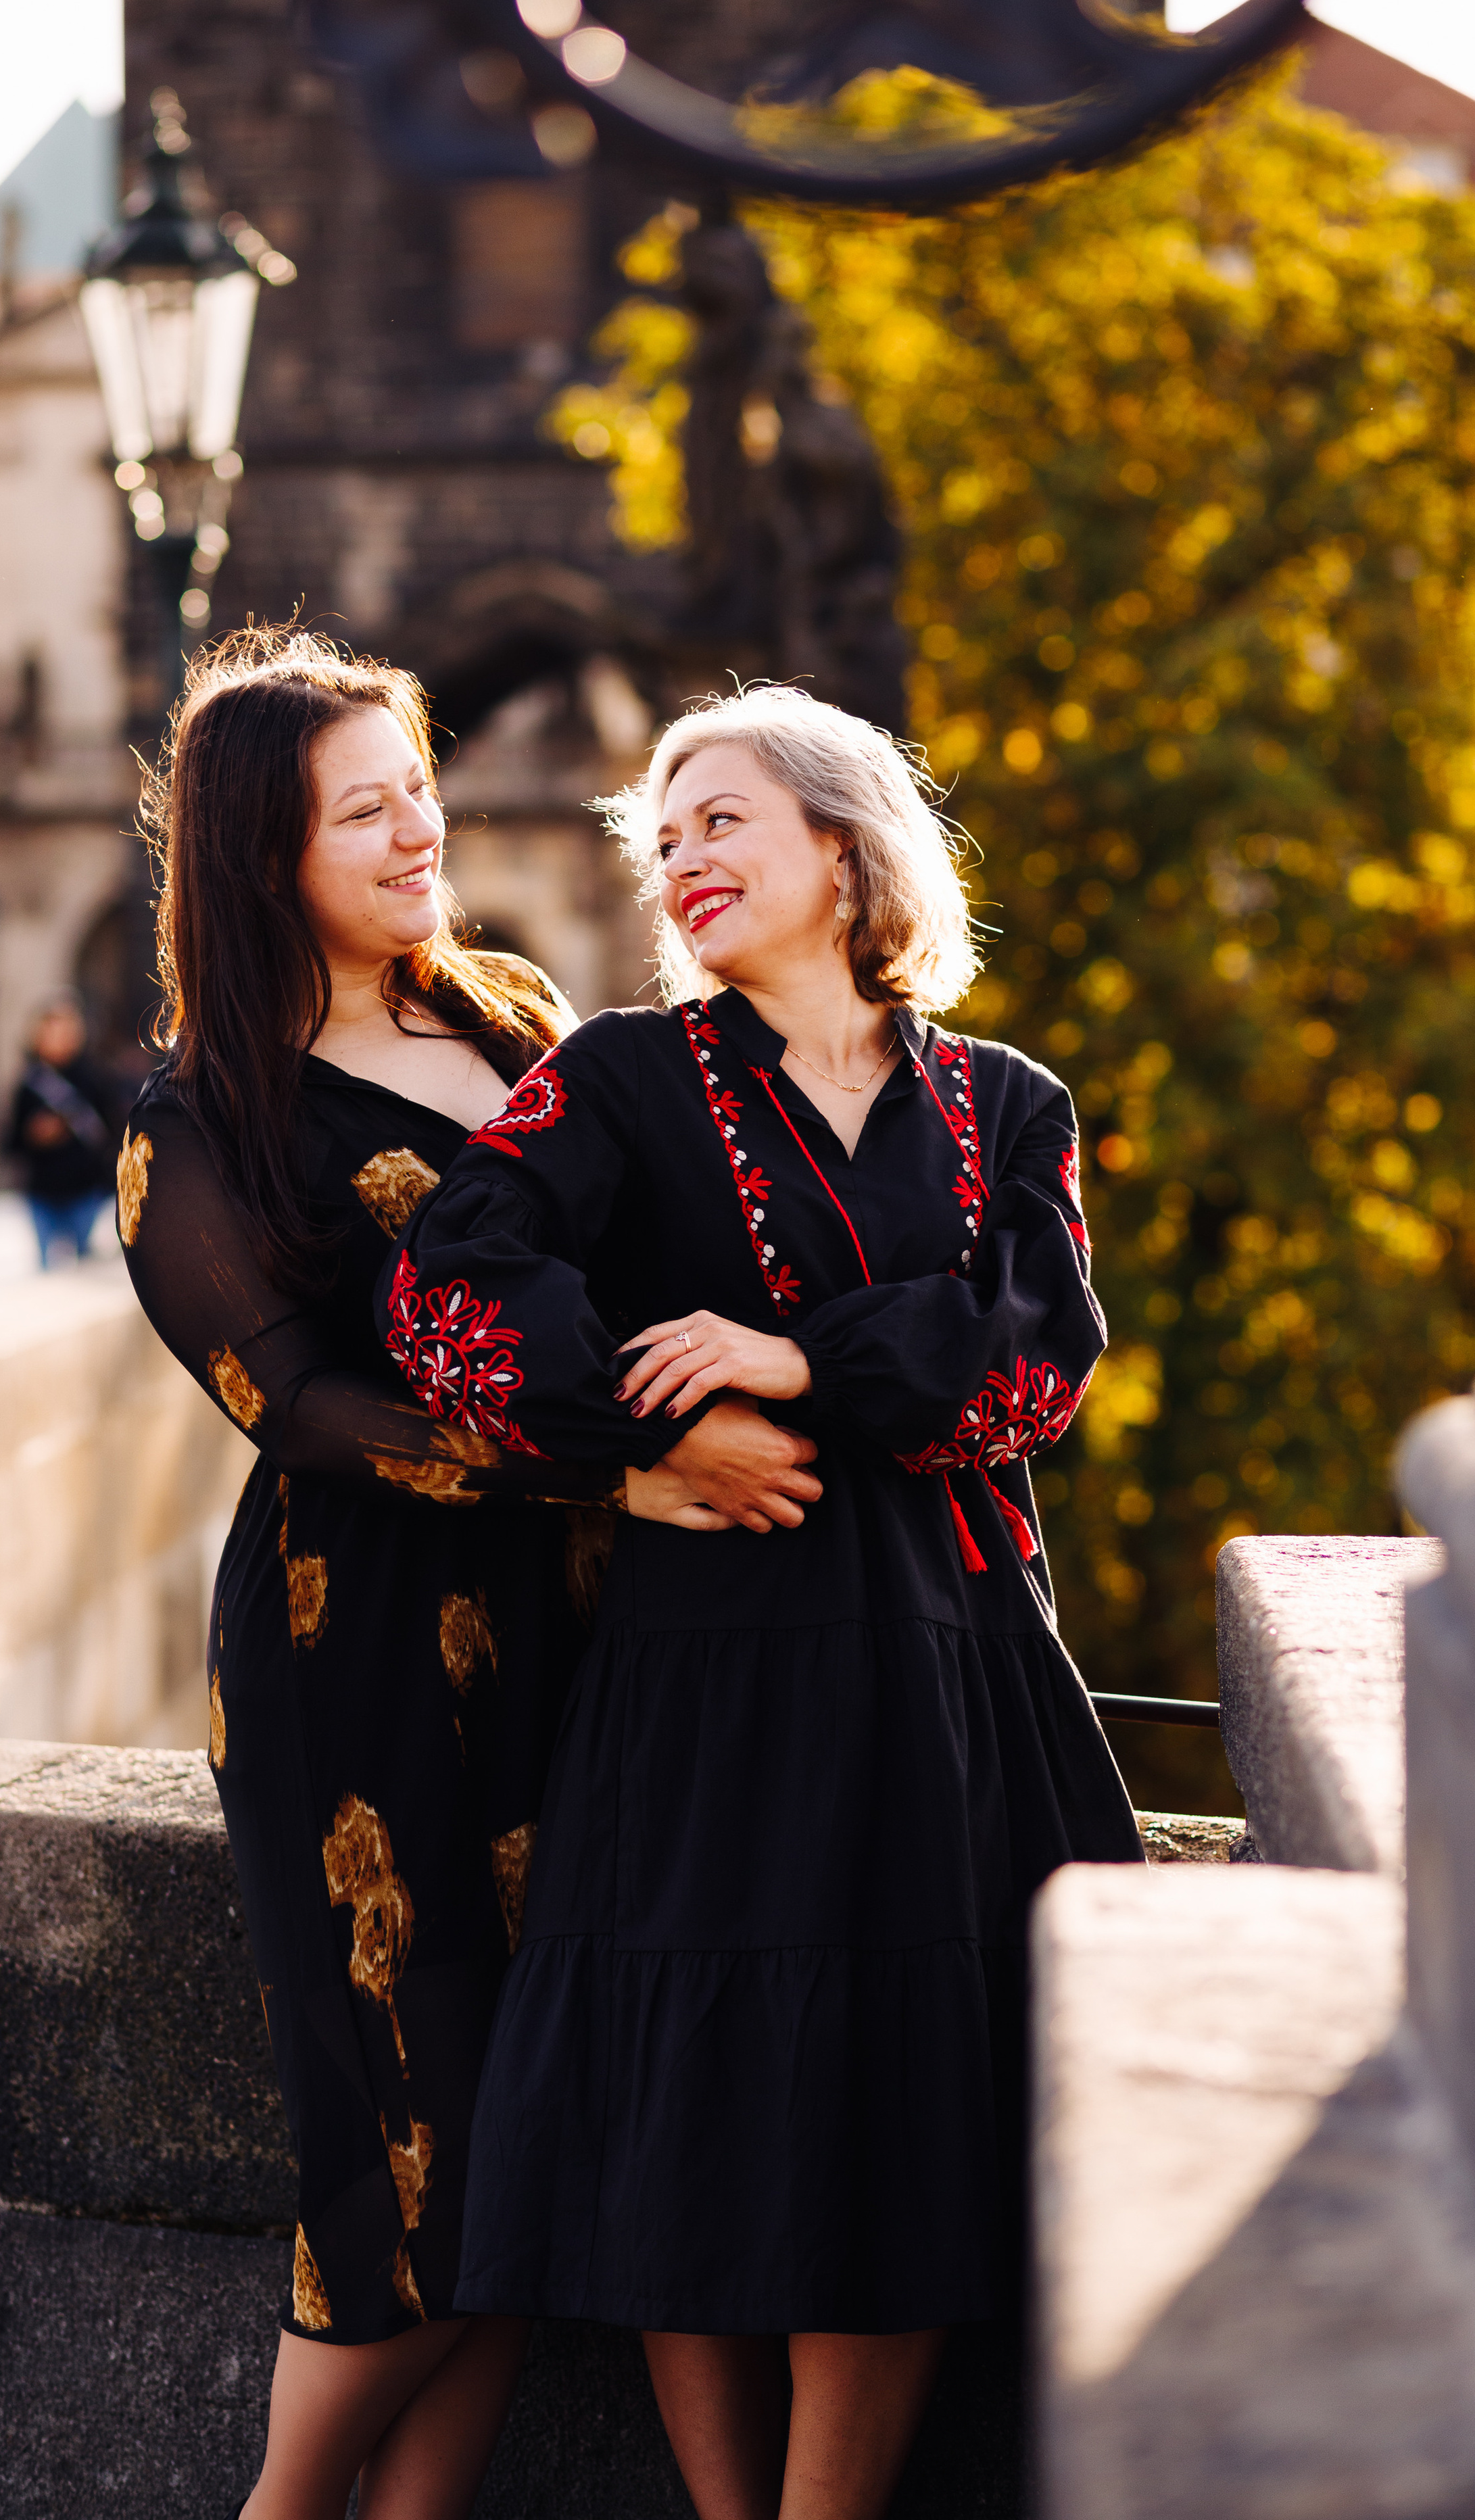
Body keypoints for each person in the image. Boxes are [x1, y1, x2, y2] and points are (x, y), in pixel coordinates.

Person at [380, 685, 1144, 2520]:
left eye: (721, 817)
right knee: (691, 2110)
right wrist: (633, 1435)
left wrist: (793, 1360)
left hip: (946, 1676)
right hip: (704, 1674)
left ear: (844, 844)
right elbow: (446, 1296)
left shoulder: (1005, 1105)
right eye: (667, 832)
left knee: (902, 2111)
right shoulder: (629, 1076)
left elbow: (1043, 1368)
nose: (682, 856)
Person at [116, 631, 815, 2520]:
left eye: (415, 783)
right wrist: (617, 1460)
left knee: (533, 2154)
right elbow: (307, 1402)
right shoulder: (200, 1121)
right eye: (368, 808)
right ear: (265, 855)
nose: (420, 825)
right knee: (416, 2156)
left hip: (585, 1647)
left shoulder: (514, 1011)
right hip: (362, 1673)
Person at [2, 993, 121, 1265]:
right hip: (42, 1190)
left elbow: (113, 1131)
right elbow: (11, 1140)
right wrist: (35, 1135)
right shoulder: (29, 1082)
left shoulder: (95, 1078)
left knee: (86, 1268)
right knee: (47, 1269)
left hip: (86, 1188)